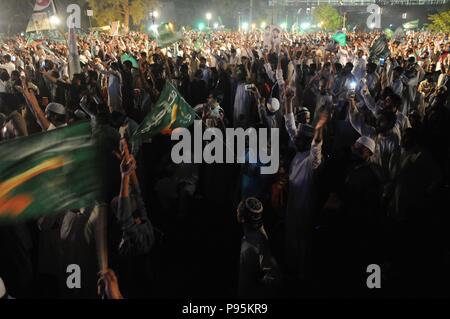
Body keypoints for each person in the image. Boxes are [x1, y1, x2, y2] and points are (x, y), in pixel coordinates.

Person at [285, 85, 328, 280]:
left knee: (303, 243)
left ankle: (302, 277)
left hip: (304, 207)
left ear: (307, 140)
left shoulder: (312, 161)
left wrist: (319, 128)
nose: (296, 139)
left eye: (301, 138)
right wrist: (287, 101)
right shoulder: (299, 151)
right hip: (292, 204)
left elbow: (317, 147)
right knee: (290, 239)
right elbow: (289, 125)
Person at [237, 198, 281, 298]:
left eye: (238, 210)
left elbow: (275, 276)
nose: (237, 211)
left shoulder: (251, 245)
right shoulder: (256, 236)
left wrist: (258, 287)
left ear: (242, 218)